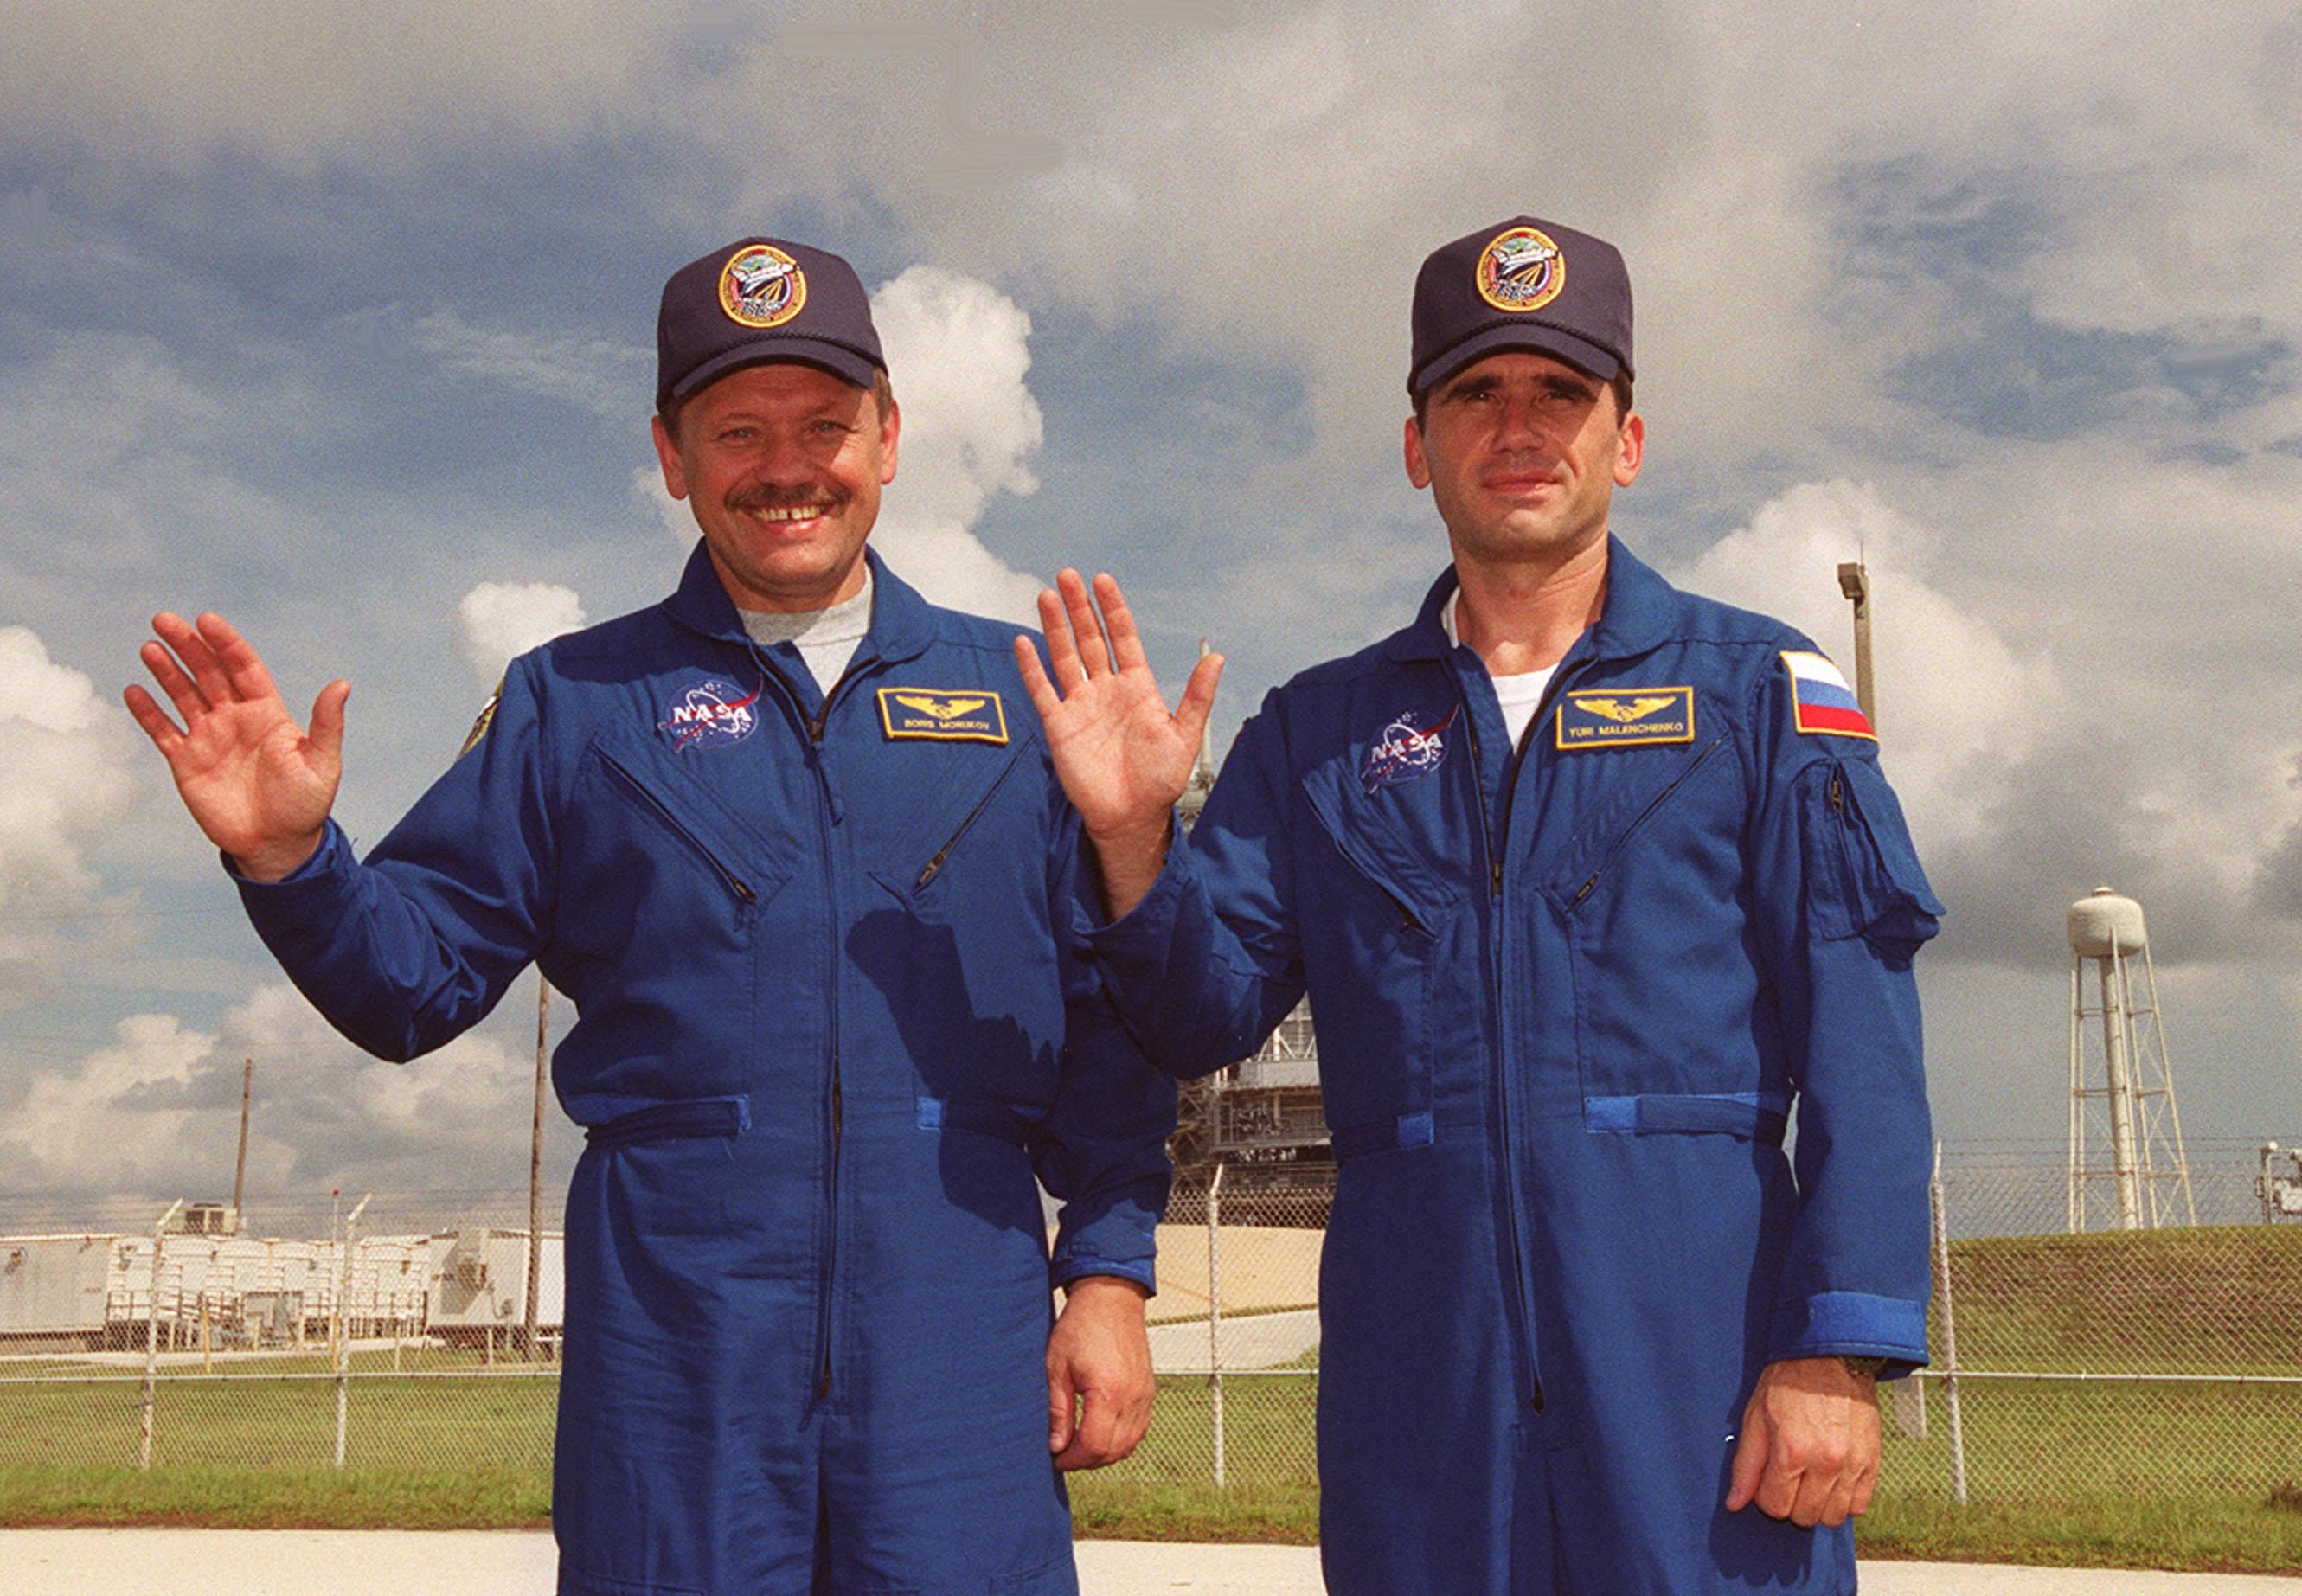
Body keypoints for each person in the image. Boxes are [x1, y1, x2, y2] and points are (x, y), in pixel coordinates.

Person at [126, 236, 1176, 1596]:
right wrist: (289, 858)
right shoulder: (574, 703)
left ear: (889, 436)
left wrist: (1108, 1274)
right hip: (679, 1355)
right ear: (671, 456)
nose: (786, 466)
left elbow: (1109, 1018)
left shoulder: (1029, 704)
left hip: (957, 1342)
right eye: (737, 430)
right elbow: (407, 986)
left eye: (823, 424)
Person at [1017, 216, 1942, 1594]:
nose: (1519, 427)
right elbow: (1195, 1013)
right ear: (1417, 446)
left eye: (1561, 391)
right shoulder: (1317, 735)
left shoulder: (1757, 695)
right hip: (1420, 1384)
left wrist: (1835, 1345)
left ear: (1627, 439)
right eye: (1475, 393)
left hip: (1700, 1373)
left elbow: (1862, 1047)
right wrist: (1131, 837)